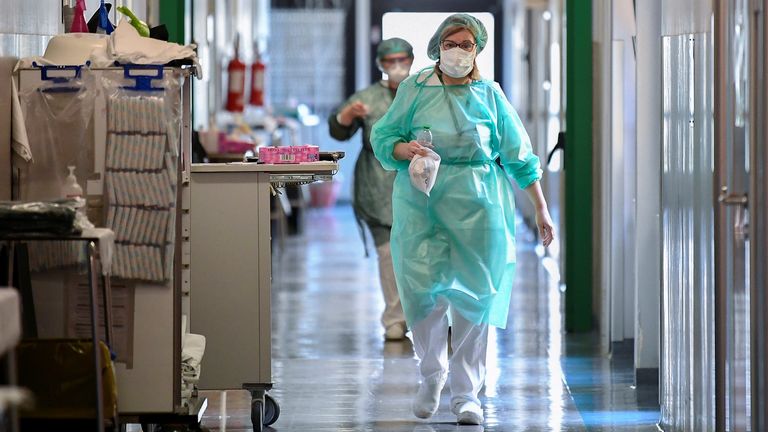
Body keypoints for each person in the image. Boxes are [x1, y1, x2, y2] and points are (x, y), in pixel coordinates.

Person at [370, 14, 554, 425]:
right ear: (438, 47)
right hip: (424, 204)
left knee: (475, 297)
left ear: (478, 49)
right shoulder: (416, 89)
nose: (458, 51)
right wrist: (407, 151)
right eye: (451, 43)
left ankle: (467, 394)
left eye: (466, 44)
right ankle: (432, 375)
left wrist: (541, 208)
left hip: (480, 204)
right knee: (423, 292)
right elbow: (384, 137)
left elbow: (518, 155)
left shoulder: (489, 94)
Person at [328, 37, 414, 341]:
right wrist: (348, 115)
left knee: (422, 255)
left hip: (418, 184)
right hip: (377, 185)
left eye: (403, 60)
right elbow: (338, 128)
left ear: (412, 61)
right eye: (390, 62)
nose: (397, 67)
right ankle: (395, 318)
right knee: (388, 253)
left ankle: (429, 317)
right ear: (381, 64)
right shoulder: (367, 98)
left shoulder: (423, 93)